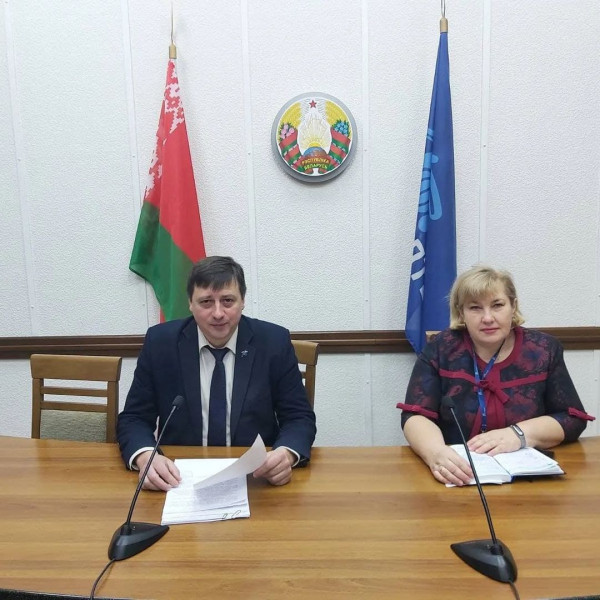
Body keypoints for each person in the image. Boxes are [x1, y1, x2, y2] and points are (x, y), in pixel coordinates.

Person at [117, 256, 316, 490]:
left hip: (256, 479)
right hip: (178, 480)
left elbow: (298, 417)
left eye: (228, 301)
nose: (218, 313)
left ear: (243, 301)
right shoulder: (161, 343)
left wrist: (286, 453)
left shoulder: (274, 342)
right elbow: (134, 418)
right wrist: (145, 456)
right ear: (190, 303)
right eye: (206, 302)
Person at [397, 264, 594, 486]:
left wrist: (518, 434)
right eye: (475, 308)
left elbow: (572, 418)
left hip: (528, 480)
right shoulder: (441, 348)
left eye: (497, 305)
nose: (487, 318)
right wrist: (436, 454)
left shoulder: (544, 350)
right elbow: (415, 415)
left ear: (513, 306)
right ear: (461, 313)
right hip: (458, 476)